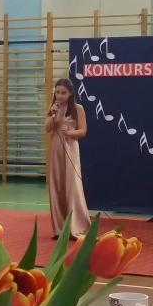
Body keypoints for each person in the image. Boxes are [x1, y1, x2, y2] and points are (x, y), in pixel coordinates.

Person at [45, 78, 90, 239]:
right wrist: (52, 114)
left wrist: (70, 132)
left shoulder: (78, 108)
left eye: (63, 92)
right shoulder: (53, 108)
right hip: (56, 149)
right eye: (57, 92)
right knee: (56, 186)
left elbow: (83, 131)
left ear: (70, 93)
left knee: (72, 187)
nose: (59, 95)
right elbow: (47, 128)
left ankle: (77, 226)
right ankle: (60, 229)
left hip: (71, 149)